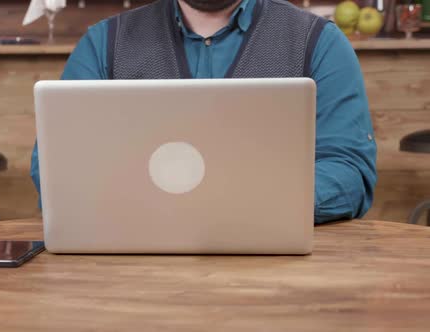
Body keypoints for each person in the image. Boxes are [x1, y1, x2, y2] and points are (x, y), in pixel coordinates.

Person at [30, 0, 377, 224]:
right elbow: (55, 163)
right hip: (130, 270)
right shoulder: (103, 44)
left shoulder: (318, 42)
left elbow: (348, 169)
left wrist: (248, 206)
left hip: (278, 271)